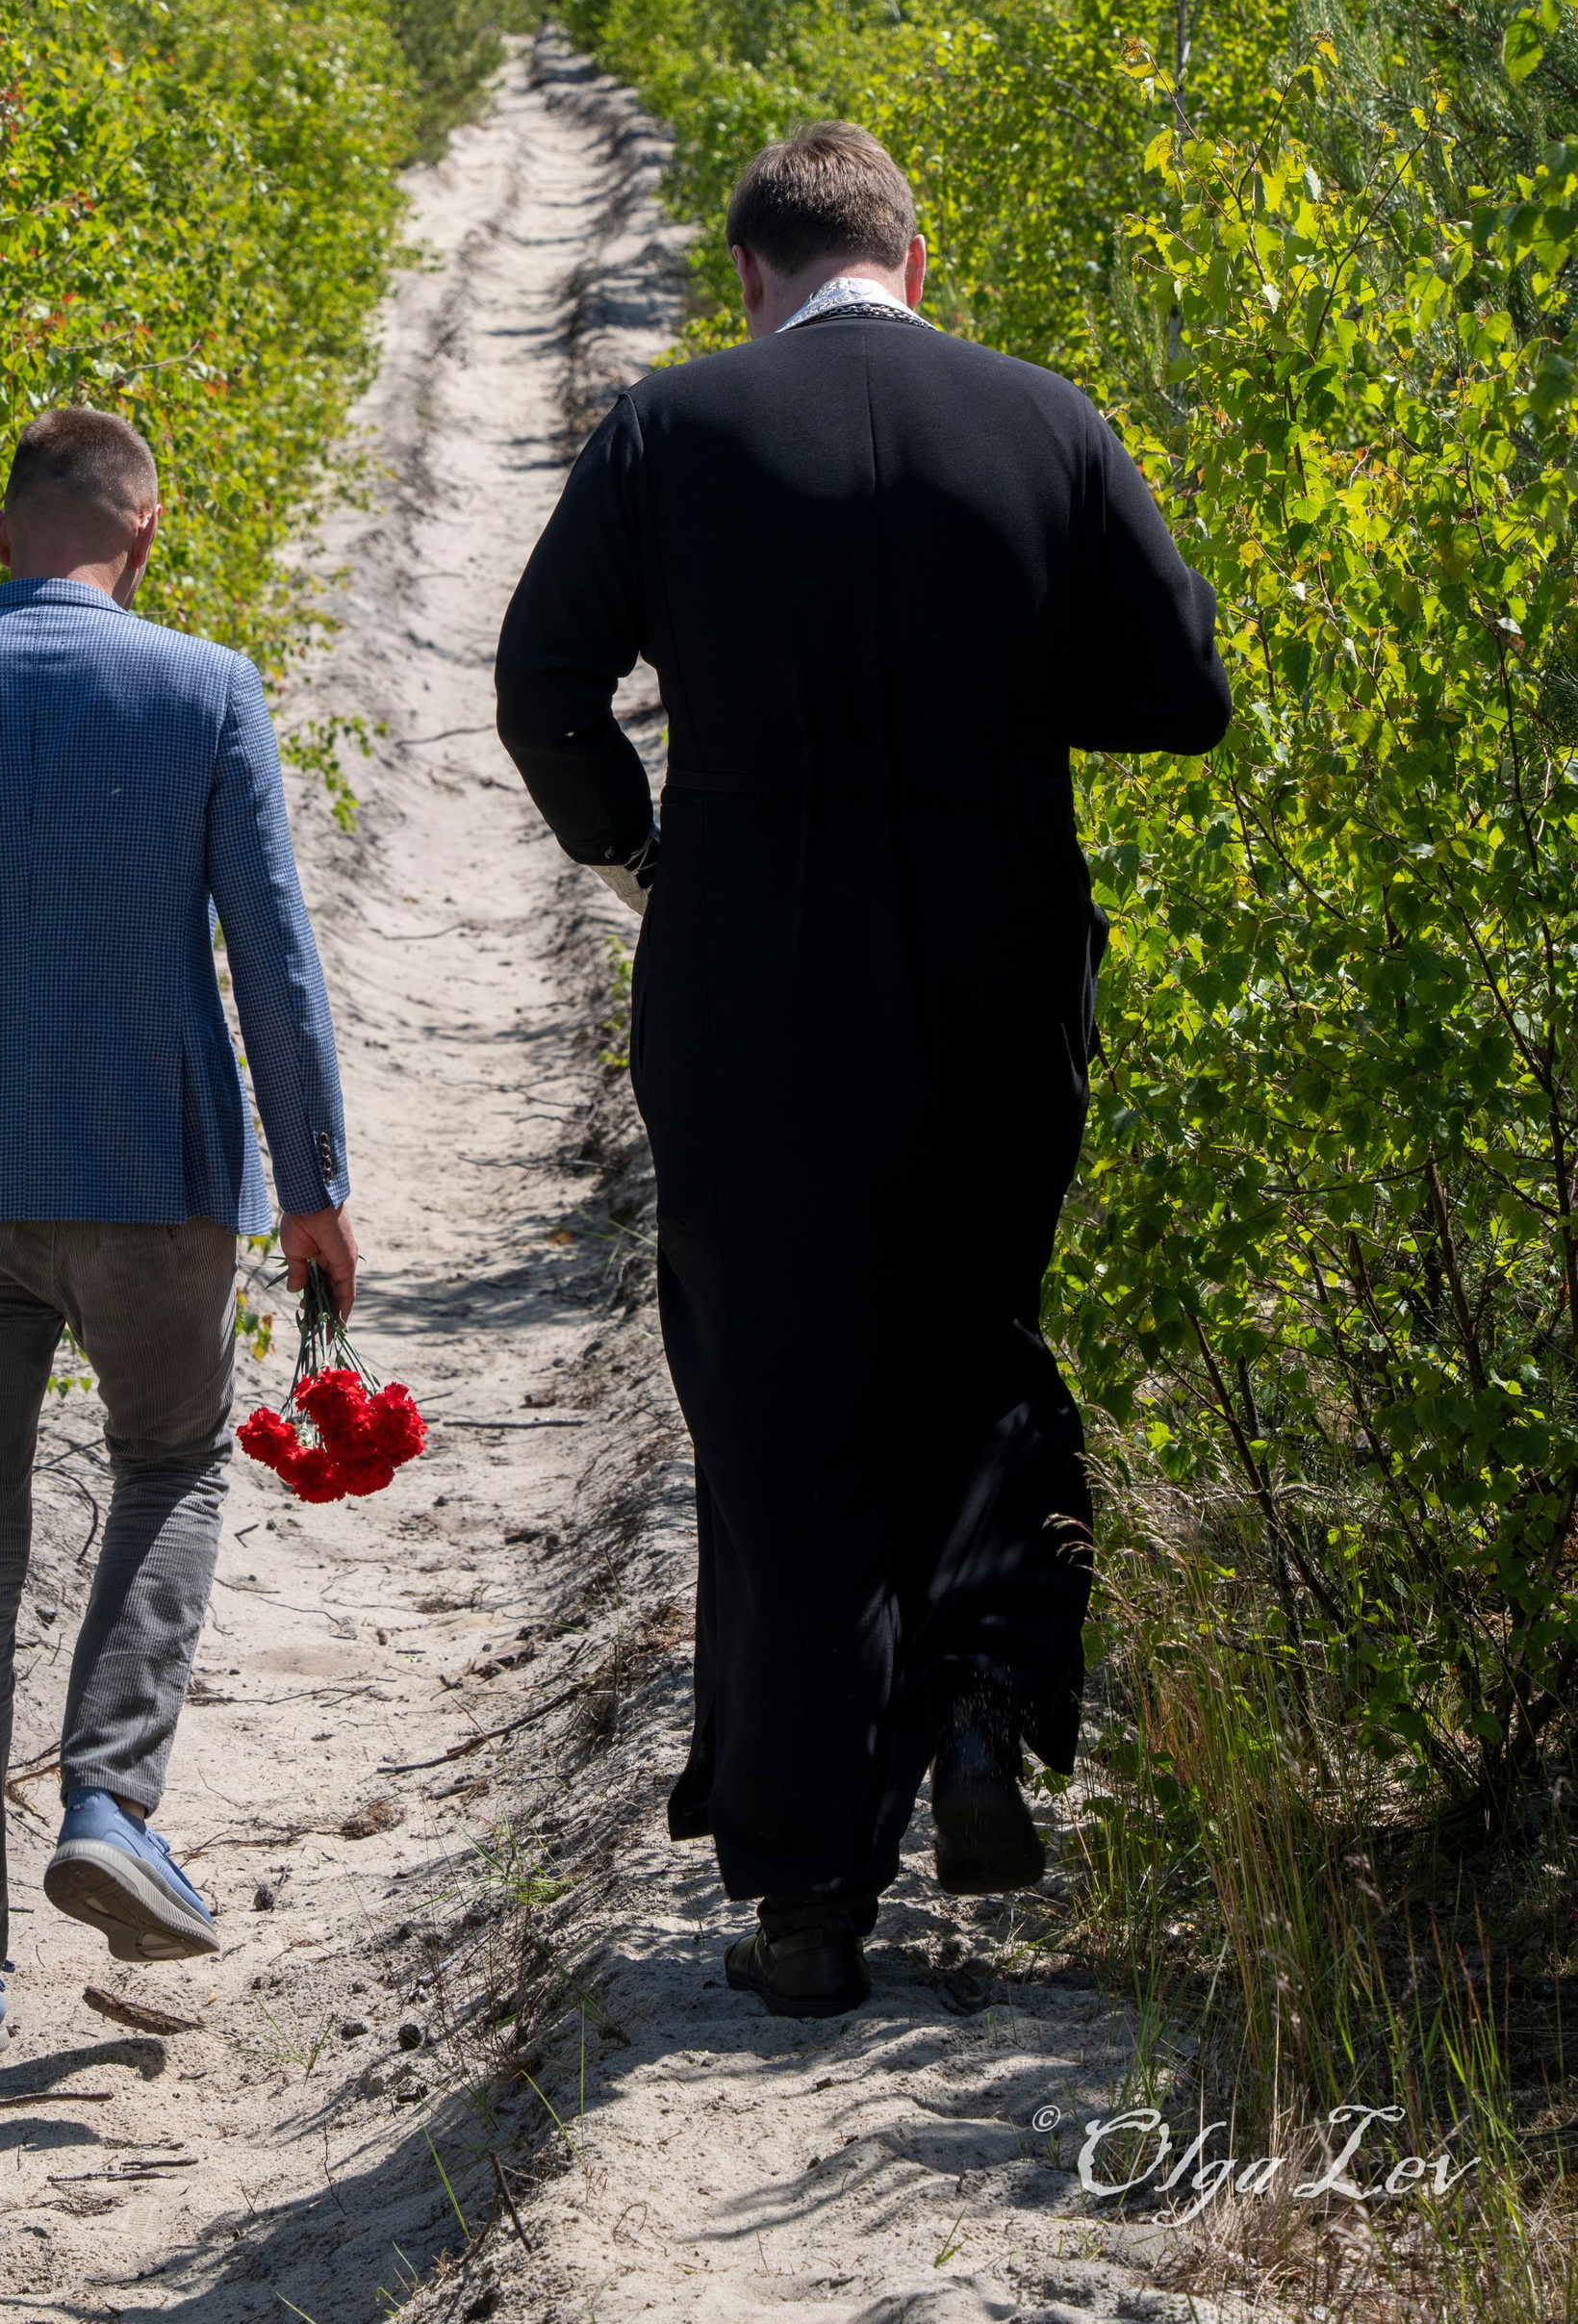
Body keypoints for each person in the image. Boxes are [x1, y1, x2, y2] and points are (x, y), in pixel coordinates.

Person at [495, 121, 1228, 2017]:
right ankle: (982, 1701)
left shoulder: (671, 431)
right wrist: (982, 694)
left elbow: (538, 684)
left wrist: (633, 841)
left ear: (744, 273)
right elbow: (1178, 692)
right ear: (917, 256)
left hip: (747, 975)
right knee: (976, 1335)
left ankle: (810, 1892)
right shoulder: (1042, 422)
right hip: (991, 961)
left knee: (777, 1405)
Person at [0, 404, 356, 2082]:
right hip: (155, 1177)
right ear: (145, 534)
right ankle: (108, 1794)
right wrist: (311, 1184)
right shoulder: (206, 689)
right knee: (169, 1465)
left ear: (1, 532)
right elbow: (276, 963)